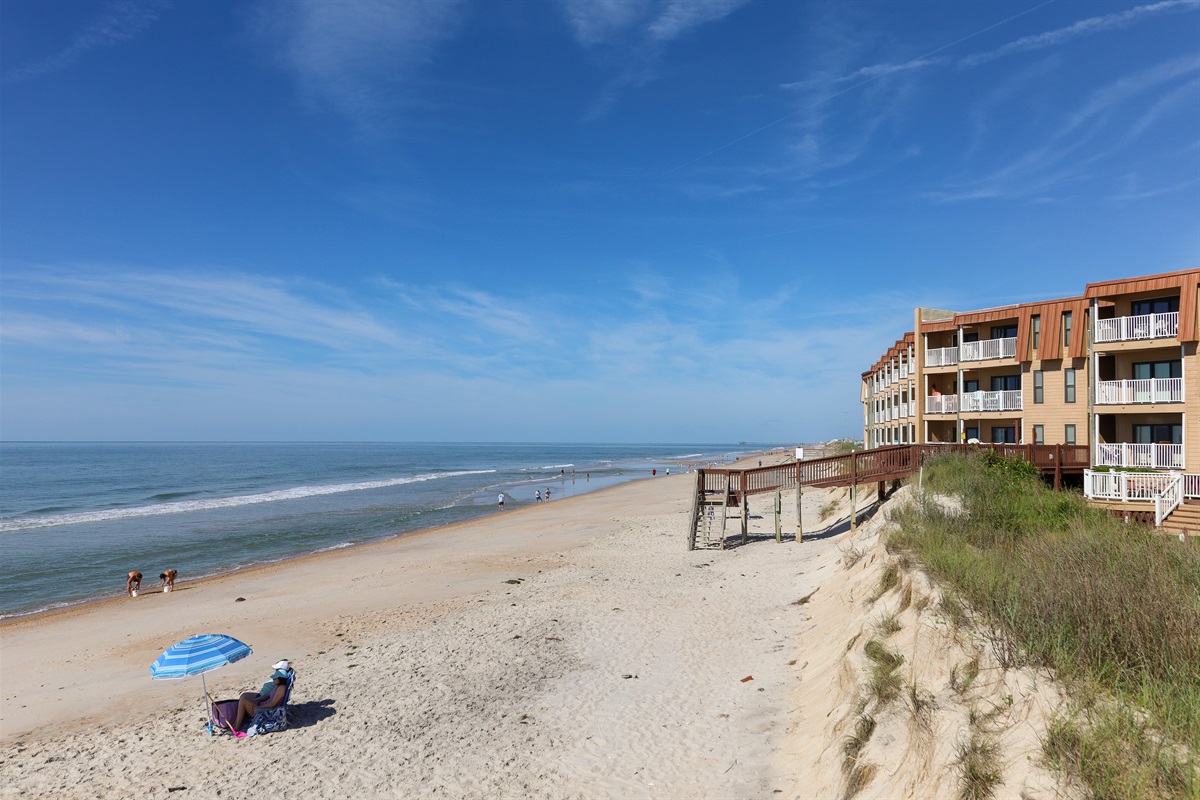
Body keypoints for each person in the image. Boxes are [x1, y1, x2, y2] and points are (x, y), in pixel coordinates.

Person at [231, 670, 289, 736]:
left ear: (279, 679)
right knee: (244, 696)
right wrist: (257, 700)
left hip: (267, 711)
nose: (273, 680)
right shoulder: (278, 686)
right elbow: (268, 696)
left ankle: (237, 726)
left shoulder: (281, 688)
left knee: (243, 700)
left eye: (274, 678)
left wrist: (259, 707)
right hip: (264, 705)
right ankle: (236, 723)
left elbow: (272, 704)